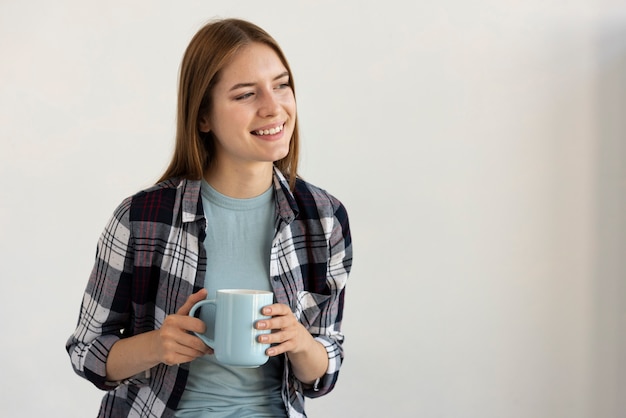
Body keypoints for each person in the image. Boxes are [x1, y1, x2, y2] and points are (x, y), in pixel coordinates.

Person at [66, 18, 352, 418]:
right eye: (246, 94)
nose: (273, 107)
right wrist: (156, 345)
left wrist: (301, 342)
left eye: (281, 85)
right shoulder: (142, 218)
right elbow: (86, 350)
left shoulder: (322, 218)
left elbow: (323, 371)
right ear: (203, 117)